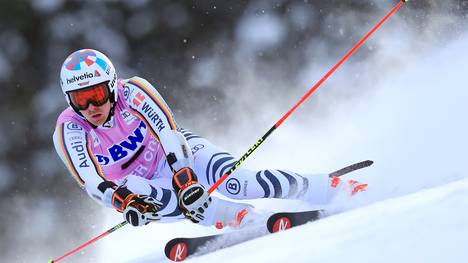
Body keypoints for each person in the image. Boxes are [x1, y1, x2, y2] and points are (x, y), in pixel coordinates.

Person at [53, 49, 367, 229]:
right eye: (80, 99)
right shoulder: (70, 130)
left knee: (239, 183)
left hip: (174, 157)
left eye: (95, 94)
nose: (91, 107)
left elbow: (168, 132)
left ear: (110, 86)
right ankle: (245, 220)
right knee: (160, 195)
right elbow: (91, 181)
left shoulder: (132, 91)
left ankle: (328, 187)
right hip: (143, 189)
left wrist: (184, 176)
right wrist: (126, 203)